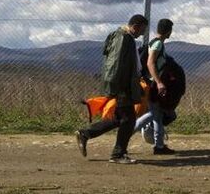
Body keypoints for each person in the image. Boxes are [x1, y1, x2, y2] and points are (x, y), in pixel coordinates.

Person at [74, 14, 148, 164]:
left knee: (119, 119)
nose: (142, 33)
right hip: (122, 86)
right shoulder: (124, 38)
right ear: (136, 26)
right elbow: (116, 64)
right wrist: (117, 87)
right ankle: (118, 154)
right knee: (128, 119)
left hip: (123, 84)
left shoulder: (120, 36)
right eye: (142, 30)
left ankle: (85, 133)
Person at [139, 18, 177, 155]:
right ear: (168, 31)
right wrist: (159, 82)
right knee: (157, 114)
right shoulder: (158, 45)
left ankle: (159, 145)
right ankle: (126, 134)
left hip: (152, 82)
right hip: (154, 84)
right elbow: (151, 63)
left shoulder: (154, 42)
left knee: (156, 115)